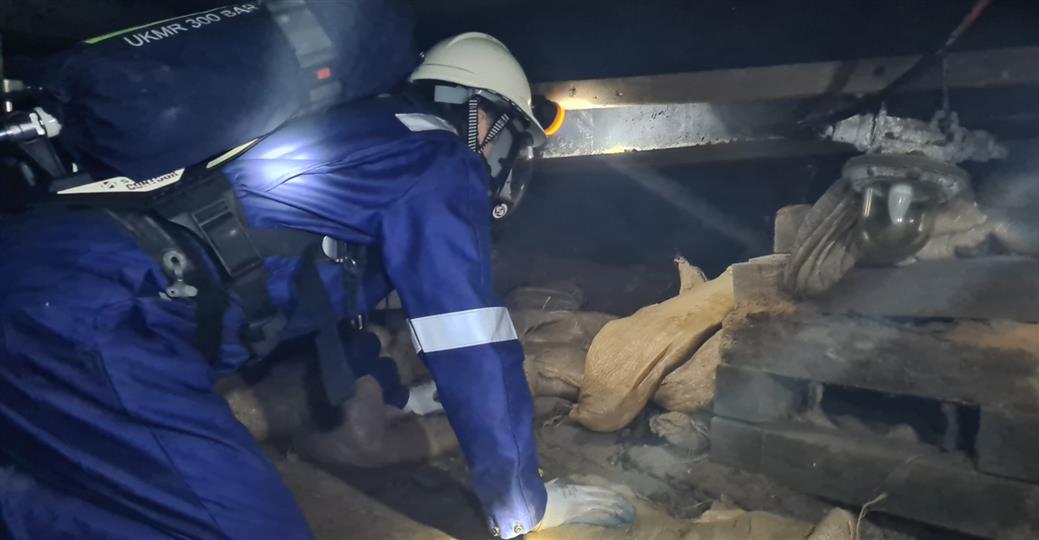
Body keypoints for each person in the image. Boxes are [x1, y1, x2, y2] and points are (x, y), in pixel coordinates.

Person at [0, 32, 632, 539]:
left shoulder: (359, 139)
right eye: (509, 147)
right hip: (93, 316)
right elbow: (472, 342)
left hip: (44, 279)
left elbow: (304, 302)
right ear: (484, 121)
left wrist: (403, 399)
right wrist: (522, 503)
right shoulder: (438, 159)